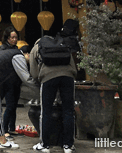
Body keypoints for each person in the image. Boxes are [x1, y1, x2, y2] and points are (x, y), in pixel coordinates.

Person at [30, 20, 79, 153]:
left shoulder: (37, 46)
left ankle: (45, 145)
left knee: (45, 111)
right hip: (68, 77)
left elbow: (33, 72)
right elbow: (72, 64)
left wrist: (38, 79)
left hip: (48, 78)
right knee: (68, 110)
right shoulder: (62, 43)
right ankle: (68, 146)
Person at [0, 45, 37, 149]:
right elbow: (26, 78)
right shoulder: (19, 56)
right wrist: (40, 88)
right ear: (27, 54)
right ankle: (2, 140)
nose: (29, 61)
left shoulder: (12, 54)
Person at [0, 26, 20, 137]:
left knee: (14, 105)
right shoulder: (2, 49)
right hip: (7, 81)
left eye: (16, 37)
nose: (14, 39)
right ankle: (4, 129)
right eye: (12, 37)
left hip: (16, 80)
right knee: (10, 105)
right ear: (7, 38)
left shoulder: (16, 49)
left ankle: (12, 128)